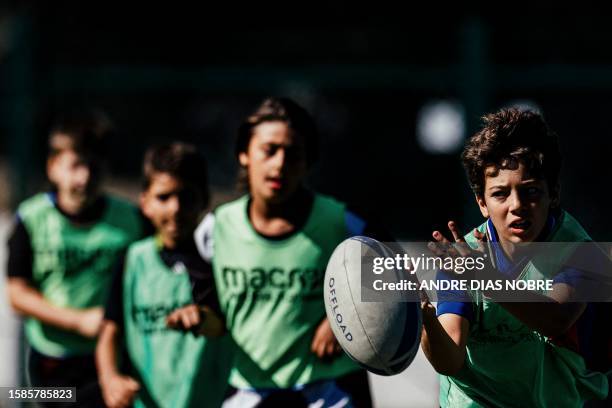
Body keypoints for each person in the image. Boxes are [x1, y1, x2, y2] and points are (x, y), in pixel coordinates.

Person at [169, 97, 384, 407]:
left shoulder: (346, 223)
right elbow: (215, 316)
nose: (280, 163)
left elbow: (399, 280)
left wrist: (345, 319)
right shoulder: (214, 230)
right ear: (244, 155)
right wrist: (197, 317)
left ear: (307, 161)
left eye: (293, 153)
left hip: (331, 389)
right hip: (247, 390)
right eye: (269, 150)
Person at [420, 108, 610, 406]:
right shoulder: (462, 258)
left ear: (554, 193)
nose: (517, 205)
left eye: (530, 191)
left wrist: (487, 279)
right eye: (500, 194)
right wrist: (425, 322)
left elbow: (556, 319)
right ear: (481, 203)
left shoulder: (579, 251)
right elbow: (450, 360)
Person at [6, 109, 143, 406]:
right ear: (53, 167)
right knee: (22, 399)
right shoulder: (31, 219)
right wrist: (77, 321)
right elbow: (16, 294)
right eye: (77, 165)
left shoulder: (130, 220)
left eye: (95, 166)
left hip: (111, 361)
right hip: (48, 359)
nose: (85, 177)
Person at [96, 143, 232, 408]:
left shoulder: (221, 261)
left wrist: (204, 318)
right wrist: (110, 378)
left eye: (186, 196)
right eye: (164, 197)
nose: (176, 208)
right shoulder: (132, 260)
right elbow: (109, 331)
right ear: (144, 202)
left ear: (204, 199)